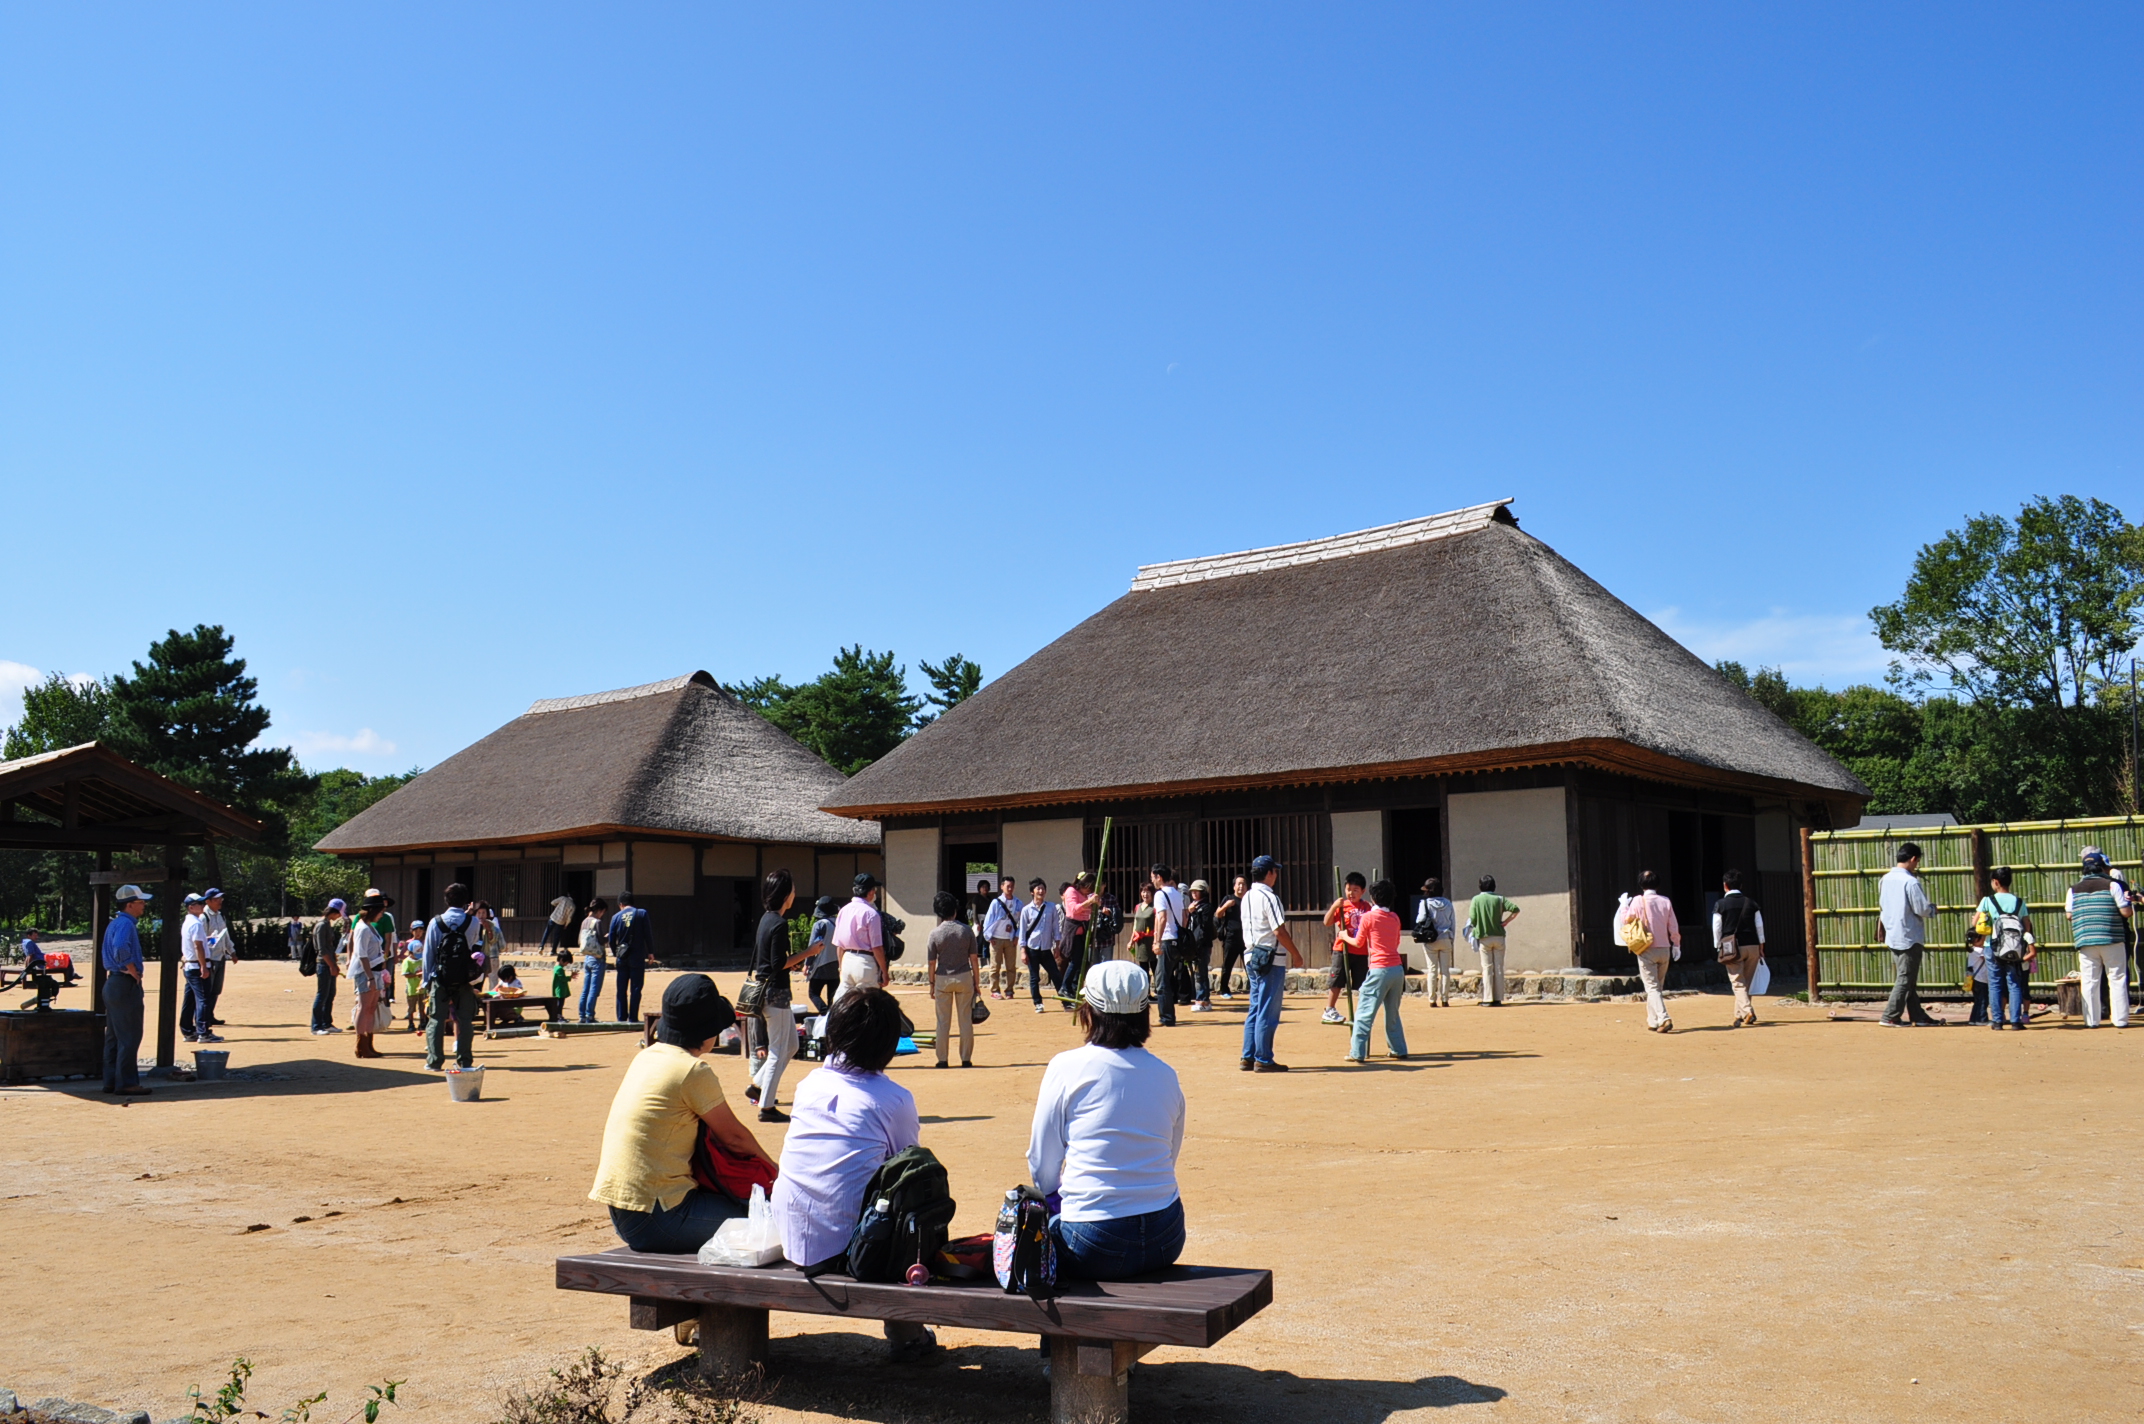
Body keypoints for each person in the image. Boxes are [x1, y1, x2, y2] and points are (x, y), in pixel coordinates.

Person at [770, 988, 938, 1364]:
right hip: (850, 1248)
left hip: (791, 1233)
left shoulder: (809, 1083)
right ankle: (905, 1330)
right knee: (919, 1193)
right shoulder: (893, 1099)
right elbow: (904, 1170)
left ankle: (905, 1329)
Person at [591, 975, 776, 1254]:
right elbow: (735, 1138)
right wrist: (776, 1174)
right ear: (706, 1030)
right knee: (771, 1219)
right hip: (659, 1216)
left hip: (625, 1211)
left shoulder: (648, 1056)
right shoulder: (691, 1070)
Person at [1028, 960, 1186, 1279]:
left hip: (1092, 1239)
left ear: (1089, 1011)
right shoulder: (1167, 1075)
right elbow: (1169, 1157)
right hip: (1166, 1235)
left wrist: (1058, 1199)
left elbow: (1042, 1163)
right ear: (1145, 1014)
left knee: (1033, 1234)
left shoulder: (1066, 1067)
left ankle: (1053, 1331)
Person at [747, 868, 815, 1122]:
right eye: (793, 890)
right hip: (775, 993)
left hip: (769, 991)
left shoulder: (767, 919)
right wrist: (808, 953)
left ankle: (757, 1084)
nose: (795, 894)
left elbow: (771, 960)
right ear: (786, 895)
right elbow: (777, 963)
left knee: (792, 1045)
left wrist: (792, 961)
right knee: (778, 1049)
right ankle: (765, 1105)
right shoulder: (778, 923)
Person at [1239, 855, 1303, 1072]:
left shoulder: (1246, 896)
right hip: (1271, 957)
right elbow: (1279, 930)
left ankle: (1248, 1055)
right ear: (1268, 873)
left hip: (1251, 955)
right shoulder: (1270, 897)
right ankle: (1263, 1057)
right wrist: (1296, 953)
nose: (1276, 876)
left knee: (1256, 1006)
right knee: (1268, 1008)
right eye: (1274, 871)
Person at [1343, 880, 1409, 1062]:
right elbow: (1396, 943)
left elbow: (1358, 942)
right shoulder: (1395, 918)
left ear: (1372, 898)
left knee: (1365, 1012)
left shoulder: (1368, 918)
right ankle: (1398, 1048)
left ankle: (1357, 1052)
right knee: (1393, 1012)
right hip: (1397, 969)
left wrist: (1343, 936)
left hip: (1379, 968)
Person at [423, 884, 484, 1072]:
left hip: (441, 977)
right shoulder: (473, 922)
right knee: (465, 1019)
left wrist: (427, 980)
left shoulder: (436, 922)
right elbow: (475, 949)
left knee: (436, 1020)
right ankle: (465, 1060)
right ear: (466, 901)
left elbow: (429, 953)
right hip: (464, 978)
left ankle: (434, 1061)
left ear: (446, 900)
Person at [2068, 850, 2132, 1029]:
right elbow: (2126, 912)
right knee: (2117, 978)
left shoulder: (2073, 889)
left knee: (2089, 980)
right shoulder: (2113, 886)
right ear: (2102, 867)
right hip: (2112, 938)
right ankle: (2120, 1020)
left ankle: (2091, 1021)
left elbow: (2069, 915)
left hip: (2085, 940)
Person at [1877, 843, 1938, 1028]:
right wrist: (1933, 909)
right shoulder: (1910, 881)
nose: (1916, 864)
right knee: (1905, 978)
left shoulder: (1885, 879)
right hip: (1909, 935)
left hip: (1892, 933)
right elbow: (1921, 908)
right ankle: (1890, 1015)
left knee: (1908, 978)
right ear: (1913, 859)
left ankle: (1918, 1015)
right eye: (1917, 861)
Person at [101, 885, 153, 1095]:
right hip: (124, 983)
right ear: (130, 904)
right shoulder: (126, 924)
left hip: (113, 983)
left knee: (114, 1036)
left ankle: (111, 1080)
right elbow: (121, 948)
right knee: (130, 1035)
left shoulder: (115, 923)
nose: (144, 905)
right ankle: (127, 1083)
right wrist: (132, 970)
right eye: (141, 902)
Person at [1616, 871, 1680, 1032]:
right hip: (1665, 947)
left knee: (1652, 987)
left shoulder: (1638, 900)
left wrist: (1624, 905)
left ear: (1641, 884)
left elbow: (1626, 920)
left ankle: (1664, 1018)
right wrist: (1676, 944)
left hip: (1646, 948)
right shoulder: (1666, 901)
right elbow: (1673, 925)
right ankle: (1653, 1020)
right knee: (1657, 987)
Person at [1975, 867, 2036, 1031]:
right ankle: (2016, 1021)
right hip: (2015, 949)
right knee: (2014, 983)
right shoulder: (2019, 902)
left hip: (1992, 947)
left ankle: (1997, 1021)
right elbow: (2027, 925)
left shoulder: (1988, 901)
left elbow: (1976, 923)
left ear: (1995, 882)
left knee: (1995, 984)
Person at [927, 890, 980, 1069]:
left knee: (943, 1021)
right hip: (964, 976)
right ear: (955, 911)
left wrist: (931, 983)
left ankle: (942, 1059)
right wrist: (977, 982)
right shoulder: (966, 931)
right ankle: (966, 1058)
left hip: (942, 978)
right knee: (965, 1020)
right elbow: (974, 959)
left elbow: (932, 962)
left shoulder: (934, 934)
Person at [1711, 870, 1766, 1029]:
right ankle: (1739, 1015)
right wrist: (1761, 945)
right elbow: (1759, 926)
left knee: (1737, 982)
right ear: (1741, 885)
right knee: (1746, 982)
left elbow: (1717, 927)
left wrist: (1717, 945)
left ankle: (1748, 1011)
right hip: (1753, 945)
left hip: (1732, 947)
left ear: (1725, 885)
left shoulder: (1720, 904)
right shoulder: (1751, 903)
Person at [1321, 872, 1369, 1025]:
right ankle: (1330, 1009)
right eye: (1348, 889)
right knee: (1337, 979)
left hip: (1360, 949)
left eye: (1355, 890)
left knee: (1362, 983)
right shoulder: (1342, 905)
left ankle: (1363, 1011)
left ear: (1363, 891)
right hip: (1342, 948)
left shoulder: (1366, 907)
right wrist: (1334, 906)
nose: (1351, 893)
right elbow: (1327, 922)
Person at [832, 873, 888, 1002]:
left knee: (843, 1002)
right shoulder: (871, 913)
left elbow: (839, 945)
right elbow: (877, 947)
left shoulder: (843, 910)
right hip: (865, 962)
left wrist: (841, 966)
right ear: (870, 892)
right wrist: (884, 971)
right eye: (874, 890)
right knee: (868, 1002)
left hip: (847, 959)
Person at [1467, 875, 1521, 1009]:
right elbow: (1515, 909)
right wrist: (1506, 922)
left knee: (1487, 968)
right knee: (1499, 968)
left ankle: (1487, 997)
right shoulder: (1499, 898)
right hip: (1499, 936)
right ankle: (1498, 998)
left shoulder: (1476, 899)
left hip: (1484, 937)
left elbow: (1473, 919)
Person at [347, 900, 388, 1058]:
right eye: (380, 912)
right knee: (363, 1007)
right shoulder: (362, 928)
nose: (381, 915)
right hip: (367, 972)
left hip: (376, 970)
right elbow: (361, 954)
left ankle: (369, 1043)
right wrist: (370, 976)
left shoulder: (369, 926)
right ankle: (361, 1044)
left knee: (372, 1007)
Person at [180, 894, 222, 1045]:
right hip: (197, 966)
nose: (202, 905)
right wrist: (204, 967)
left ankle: (187, 1030)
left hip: (190, 966)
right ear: (191, 907)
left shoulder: (187, 922)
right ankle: (203, 1033)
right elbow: (198, 946)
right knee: (203, 999)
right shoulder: (196, 924)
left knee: (189, 1000)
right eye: (198, 903)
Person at [1018, 877, 1064, 1013]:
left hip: (1046, 948)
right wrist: (1023, 950)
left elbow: (1056, 927)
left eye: (1043, 888)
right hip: (1032, 948)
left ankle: (1064, 1000)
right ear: (1032, 892)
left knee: (1056, 974)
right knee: (1034, 977)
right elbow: (1022, 931)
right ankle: (1038, 1003)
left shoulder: (1051, 907)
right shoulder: (1026, 910)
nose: (1041, 891)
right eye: (1038, 888)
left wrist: (1057, 945)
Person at [609, 894, 655, 1023]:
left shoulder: (615, 917)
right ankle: (633, 1017)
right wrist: (650, 952)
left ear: (620, 904)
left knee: (621, 988)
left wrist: (616, 953)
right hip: (637, 956)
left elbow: (612, 939)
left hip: (622, 957)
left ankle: (621, 1017)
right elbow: (648, 934)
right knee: (636, 988)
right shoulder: (641, 914)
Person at [1412, 878, 1456, 1007]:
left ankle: (1432, 999)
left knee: (1432, 970)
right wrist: (1452, 938)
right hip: (1446, 937)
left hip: (1431, 939)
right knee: (1445, 971)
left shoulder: (1425, 904)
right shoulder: (1448, 903)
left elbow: (1419, 919)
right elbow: (1453, 922)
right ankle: (1445, 998)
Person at [1179, 880, 1216, 1014]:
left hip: (1203, 944)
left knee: (1201, 973)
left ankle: (1203, 999)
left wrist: (1194, 913)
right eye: (1192, 891)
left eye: (1197, 891)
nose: (1194, 893)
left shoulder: (1207, 907)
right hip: (1194, 943)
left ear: (1203, 892)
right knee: (1197, 972)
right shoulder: (1193, 905)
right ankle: (1202, 998)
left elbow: (1204, 925)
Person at [311, 899, 347, 1035]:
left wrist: (334, 964)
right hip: (323, 964)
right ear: (333, 911)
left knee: (330, 994)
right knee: (322, 995)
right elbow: (322, 949)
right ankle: (316, 1026)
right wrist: (332, 965)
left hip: (330, 963)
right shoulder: (321, 925)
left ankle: (327, 1023)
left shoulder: (327, 924)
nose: (339, 917)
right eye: (338, 914)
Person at [982, 875, 1021, 1001]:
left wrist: (1017, 936)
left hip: (1010, 939)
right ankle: (994, 990)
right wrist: (989, 936)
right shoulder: (996, 903)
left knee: (1011, 966)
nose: (1010, 888)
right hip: (996, 938)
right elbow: (988, 920)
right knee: (995, 966)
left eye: (1012, 886)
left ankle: (1009, 990)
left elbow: (1022, 922)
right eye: (1007, 886)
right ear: (1002, 887)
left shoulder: (1018, 903)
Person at [201, 887, 233, 1030]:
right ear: (208, 901)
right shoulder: (204, 917)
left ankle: (210, 1015)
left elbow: (225, 935)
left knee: (216, 989)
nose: (220, 901)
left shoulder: (220, 916)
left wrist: (232, 951)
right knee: (206, 990)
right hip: (210, 958)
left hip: (220, 956)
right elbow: (200, 940)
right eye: (216, 899)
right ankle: (203, 1018)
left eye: (220, 899)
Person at [1063, 871, 1099, 991]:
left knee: (1082, 962)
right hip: (1073, 931)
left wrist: (1096, 902)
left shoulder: (1084, 894)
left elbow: (1090, 906)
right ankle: (1065, 986)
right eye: (1088, 888)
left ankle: (1074, 987)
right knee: (1075, 961)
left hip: (1083, 930)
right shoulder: (1071, 891)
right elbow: (1074, 909)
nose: (1088, 892)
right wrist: (1089, 902)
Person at [1213, 875, 1247, 1000]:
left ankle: (1255, 990)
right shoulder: (1228, 898)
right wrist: (1226, 906)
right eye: (1239, 884)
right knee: (1227, 964)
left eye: (1243, 884)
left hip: (1246, 937)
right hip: (1231, 937)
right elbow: (1217, 914)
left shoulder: (1248, 900)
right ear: (1234, 886)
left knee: (1249, 965)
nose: (1241, 886)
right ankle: (1224, 989)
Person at [805, 895, 840, 1015]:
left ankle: (825, 1014)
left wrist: (807, 964)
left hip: (821, 964)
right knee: (833, 997)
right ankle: (832, 1018)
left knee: (813, 993)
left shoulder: (820, 924)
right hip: (836, 964)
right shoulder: (839, 923)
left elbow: (812, 946)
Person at [577, 898, 609, 1023]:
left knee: (585, 988)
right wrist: (609, 936)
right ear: (600, 910)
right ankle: (590, 1015)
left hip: (587, 957)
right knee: (594, 989)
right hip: (598, 958)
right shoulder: (597, 922)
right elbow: (601, 940)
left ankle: (582, 1015)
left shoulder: (584, 921)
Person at [401, 922, 429, 1031]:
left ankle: (423, 1023)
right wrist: (417, 974)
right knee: (411, 1008)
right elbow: (406, 974)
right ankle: (411, 1023)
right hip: (412, 989)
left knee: (423, 1007)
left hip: (422, 988)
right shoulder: (407, 961)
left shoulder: (422, 958)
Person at [1127, 884, 1156, 973]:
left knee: (1154, 965)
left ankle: (1158, 986)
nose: (1145, 894)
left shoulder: (1155, 907)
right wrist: (1131, 941)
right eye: (1143, 892)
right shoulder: (1137, 907)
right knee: (1143, 967)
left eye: (1148, 892)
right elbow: (1135, 925)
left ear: (1152, 893)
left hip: (1151, 940)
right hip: (1140, 941)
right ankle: (1145, 986)